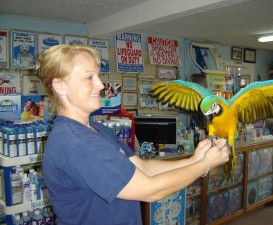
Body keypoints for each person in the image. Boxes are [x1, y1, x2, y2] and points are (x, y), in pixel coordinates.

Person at [36, 44, 229, 225]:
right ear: (60, 86)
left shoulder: (96, 129)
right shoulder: (78, 143)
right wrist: (206, 164)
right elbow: (150, 190)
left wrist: (195, 160)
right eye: (89, 78)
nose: (101, 85)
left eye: (98, 76)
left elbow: (142, 167)